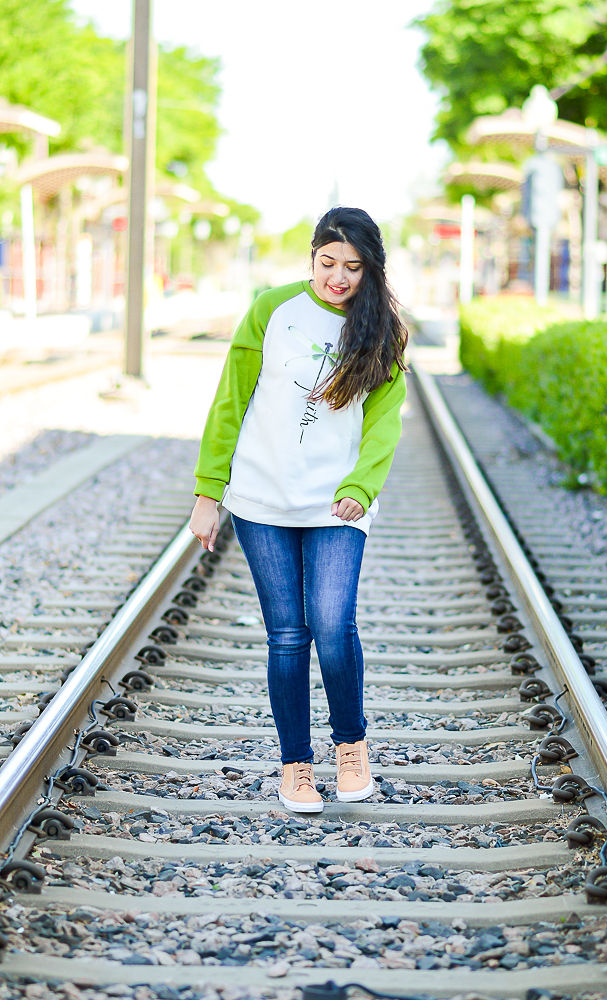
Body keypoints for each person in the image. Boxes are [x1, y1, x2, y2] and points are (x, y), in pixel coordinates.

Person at [189, 206, 408, 813]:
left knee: (333, 627)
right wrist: (210, 493)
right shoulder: (271, 309)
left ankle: (351, 748)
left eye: (353, 267)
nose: (337, 277)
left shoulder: (383, 329)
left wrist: (362, 486)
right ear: (311, 257)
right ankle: (295, 769)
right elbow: (231, 399)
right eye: (327, 262)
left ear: (372, 270)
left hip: (338, 504)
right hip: (262, 497)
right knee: (288, 636)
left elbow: (385, 423)